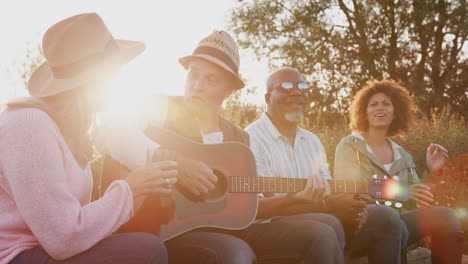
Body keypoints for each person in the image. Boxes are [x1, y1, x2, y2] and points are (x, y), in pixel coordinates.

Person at [96, 31, 347, 264]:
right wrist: (177, 166)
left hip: (226, 229)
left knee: (322, 232)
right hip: (162, 230)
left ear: (228, 90)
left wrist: (292, 198)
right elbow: (106, 132)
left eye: (210, 79)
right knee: (236, 253)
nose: (197, 84)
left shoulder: (238, 140)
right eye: (193, 74)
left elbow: (244, 208)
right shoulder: (160, 107)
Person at [0, 13, 172, 264]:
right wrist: (129, 188)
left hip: (47, 249)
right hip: (18, 255)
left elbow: (77, 225)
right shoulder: (28, 123)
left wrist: (143, 189)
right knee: (148, 250)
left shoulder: (72, 129)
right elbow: (64, 239)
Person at [245, 67, 404, 264]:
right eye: (286, 87)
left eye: (303, 87)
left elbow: (328, 188)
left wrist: (352, 201)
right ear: (268, 98)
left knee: (385, 215)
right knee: (329, 224)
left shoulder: (312, 141)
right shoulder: (251, 138)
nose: (296, 92)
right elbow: (254, 208)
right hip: (272, 223)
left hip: (316, 213)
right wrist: (325, 205)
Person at [334, 79, 464, 264]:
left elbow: (417, 198)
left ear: (395, 113)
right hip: (360, 225)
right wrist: (401, 191)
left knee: (446, 215)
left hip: (399, 225)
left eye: (386, 104)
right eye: (373, 104)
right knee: (392, 219)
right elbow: (349, 191)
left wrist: (432, 171)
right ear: (364, 112)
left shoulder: (402, 155)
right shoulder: (350, 145)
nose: (380, 107)